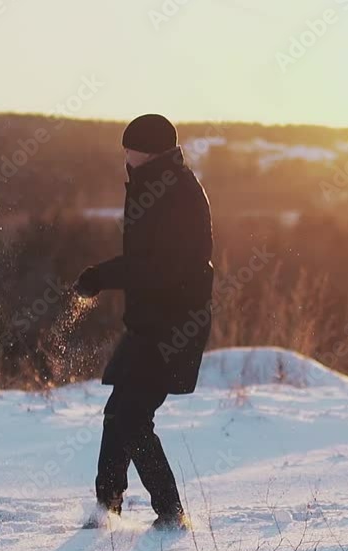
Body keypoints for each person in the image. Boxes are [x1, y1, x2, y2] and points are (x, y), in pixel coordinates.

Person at [74, 114, 214, 530]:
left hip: (172, 327)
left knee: (132, 417)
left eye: (129, 148)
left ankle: (171, 513)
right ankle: (107, 509)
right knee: (119, 414)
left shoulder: (175, 193)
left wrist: (102, 276)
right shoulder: (155, 184)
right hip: (152, 324)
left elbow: (158, 266)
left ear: (147, 151)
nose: (124, 155)